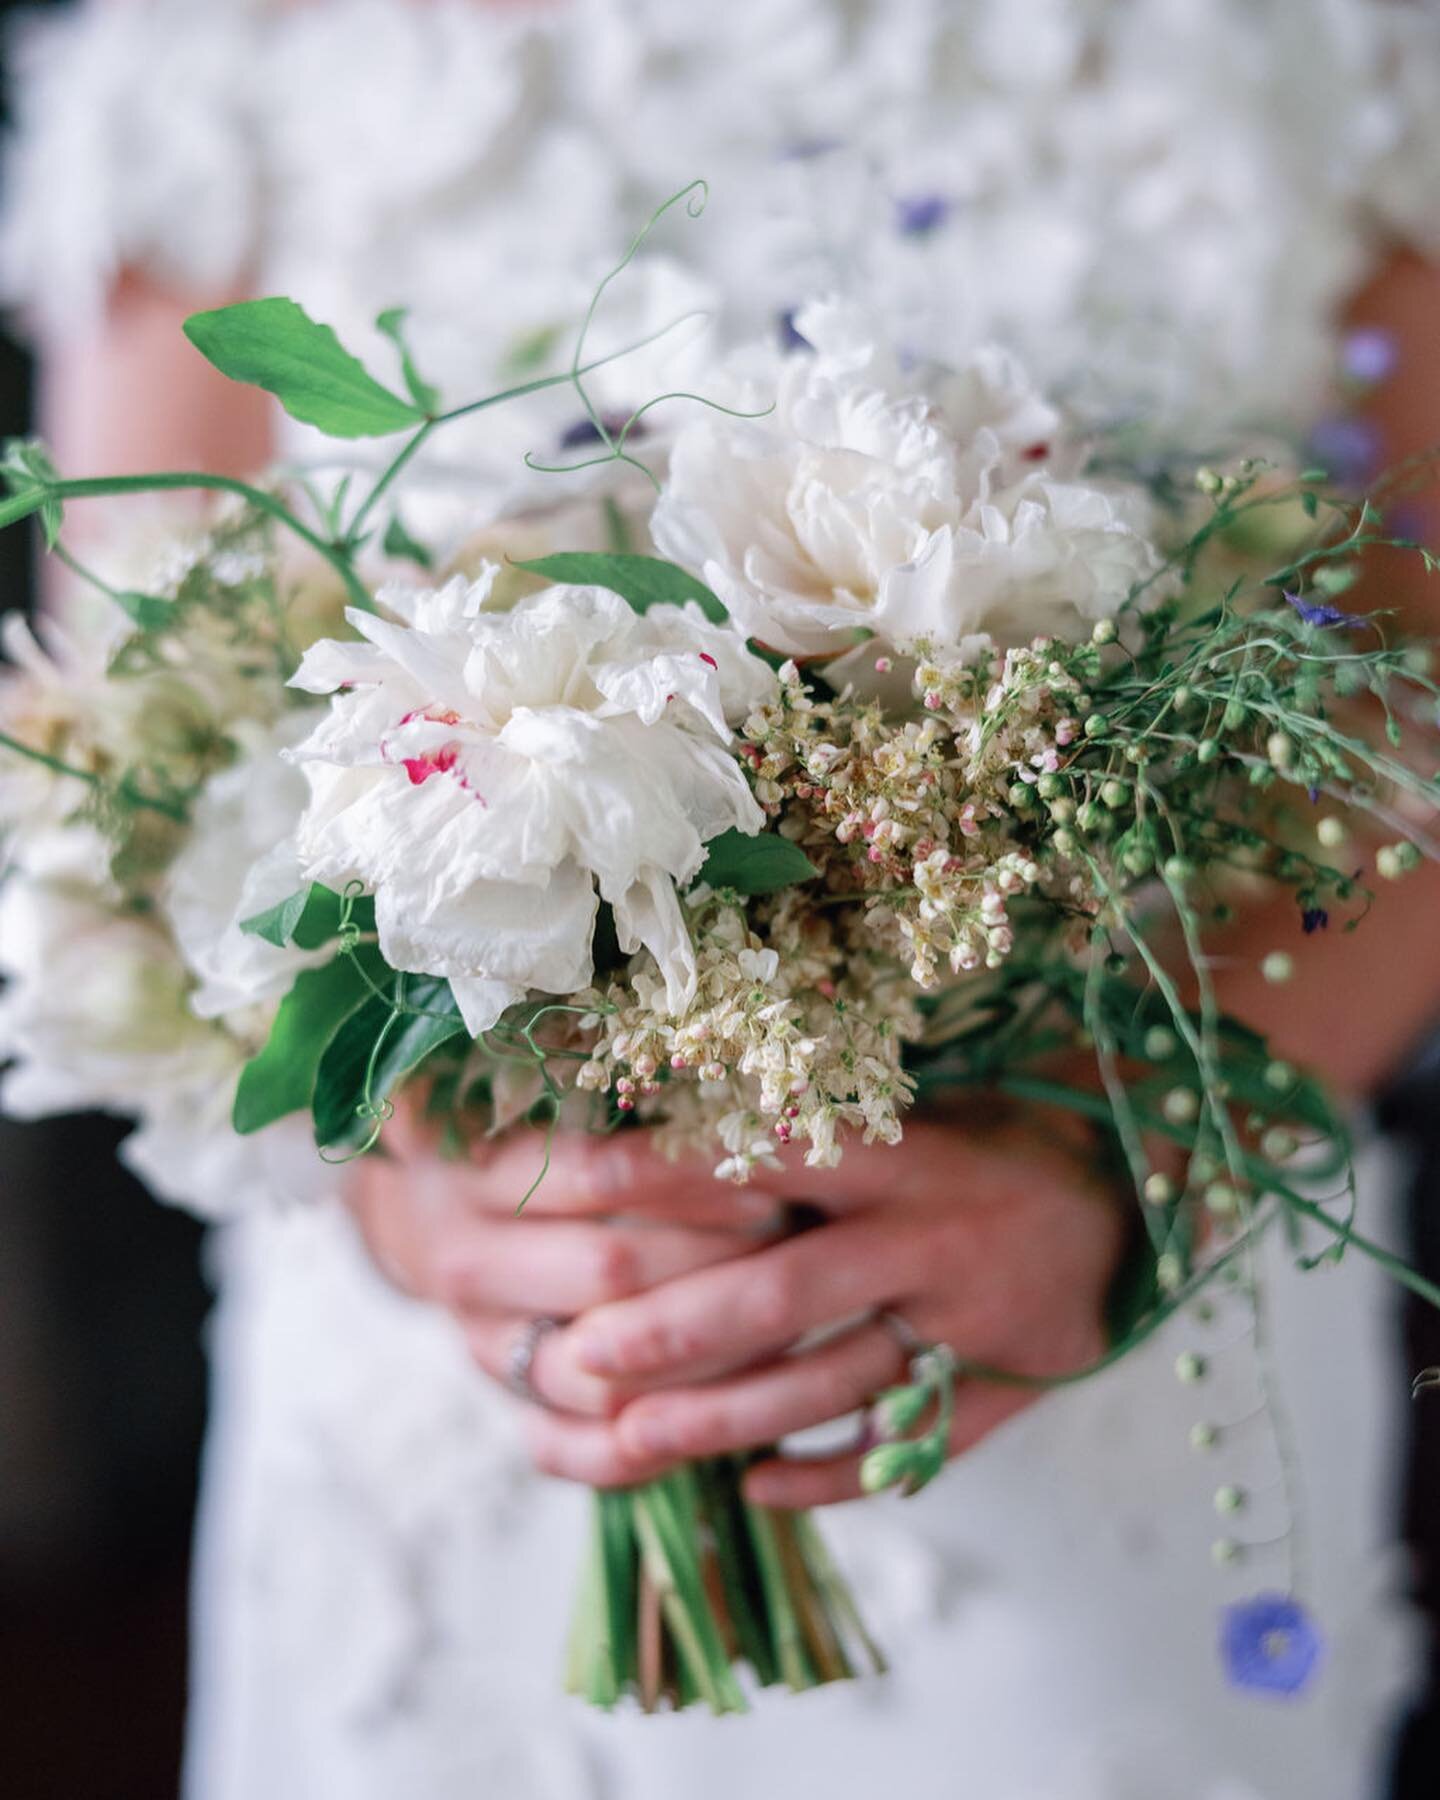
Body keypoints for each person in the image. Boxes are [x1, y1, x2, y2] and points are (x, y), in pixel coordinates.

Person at [4, 3, 1440, 1795]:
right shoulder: (228, 46)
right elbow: (138, 771)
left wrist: (1120, 1162)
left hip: (1126, 1320)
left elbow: (1410, 702)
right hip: (476, 1370)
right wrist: (409, 1192)